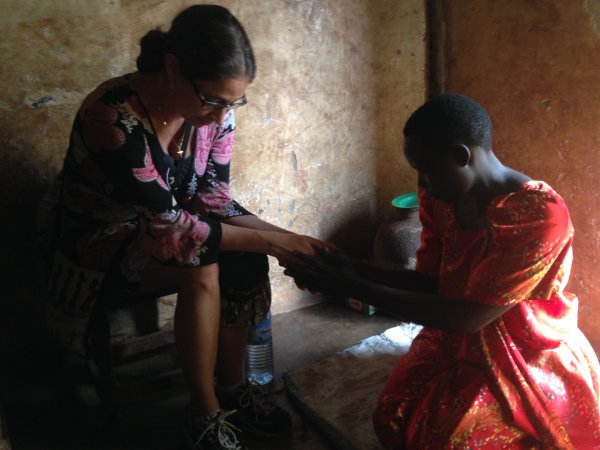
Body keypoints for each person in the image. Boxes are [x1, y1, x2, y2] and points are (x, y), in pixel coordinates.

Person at [37, 5, 326, 450]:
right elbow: (175, 227)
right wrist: (275, 242)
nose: (221, 116)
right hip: (99, 238)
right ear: (173, 67)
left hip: (166, 226)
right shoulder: (111, 118)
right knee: (201, 264)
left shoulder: (214, 112)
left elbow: (212, 195)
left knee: (244, 256)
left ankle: (233, 387)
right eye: (213, 101)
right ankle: (204, 411)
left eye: (233, 103)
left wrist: (290, 241)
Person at [283, 93, 600, 449]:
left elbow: (469, 317)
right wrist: (355, 269)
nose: (423, 182)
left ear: (462, 157)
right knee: (396, 417)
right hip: (455, 330)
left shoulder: (537, 215)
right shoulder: (441, 197)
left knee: (452, 439)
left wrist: (354, 285)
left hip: (523, 345)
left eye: (427, 170)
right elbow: (432, 282)